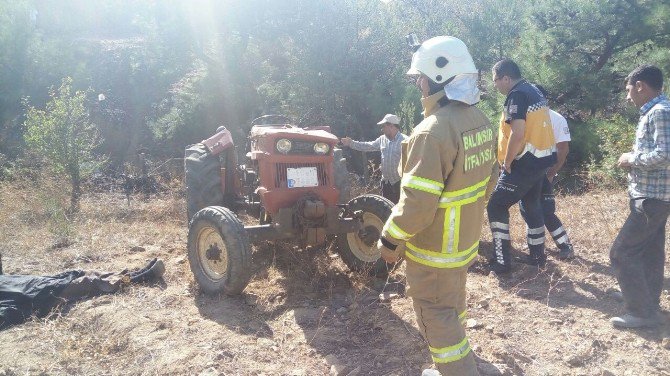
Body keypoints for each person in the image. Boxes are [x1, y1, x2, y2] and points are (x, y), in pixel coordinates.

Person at [376, 36, 496, 376]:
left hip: (434, 249)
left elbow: (417, 204)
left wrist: (389, 240)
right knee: (452, 304)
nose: (418, 83)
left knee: (435, 311)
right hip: (464, 243)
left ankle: (458, 372)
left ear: (440, 80)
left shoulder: (431, 132)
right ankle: (463, 365)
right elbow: (491, 177)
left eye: (421, 77)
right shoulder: (479, 119)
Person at [609, 64, 670, 329]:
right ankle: (645, 299)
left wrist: (630, 159)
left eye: (629, 89)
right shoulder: (658, 111)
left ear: (641, 86)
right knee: (649, 252)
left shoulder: (660, 112)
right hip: (653, 196)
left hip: (652, 197)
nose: (627, 96)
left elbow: (665, 154)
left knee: (622, 252)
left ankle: (642, 312)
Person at [487, 59, 557, 274]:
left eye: (496, 80)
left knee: (496, 206)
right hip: (541, 159)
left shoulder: (516, 95)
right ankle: (537, 257)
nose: (495, 85)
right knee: (531, 204)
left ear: (506, 78)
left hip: (524, 162)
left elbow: (517, 134)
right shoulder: (534, 89)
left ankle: (502, 260)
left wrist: (506, 162)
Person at [520, 84, 575, 260]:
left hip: (543, 173)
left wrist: (551, 173)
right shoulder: (526, 117)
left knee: (544, 210)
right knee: (528, 210)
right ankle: (536, 248)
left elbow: (563, 149)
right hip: (527, 172)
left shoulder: (556, 119)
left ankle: (564, 244)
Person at [341, 114, 406, 203]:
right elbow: (368, 146)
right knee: (386, 211)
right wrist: (351, 143)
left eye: (384, 126)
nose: (382, 129)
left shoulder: (406, 141)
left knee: (400, 211)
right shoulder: (382, 139)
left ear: (391, 126)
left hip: (400, 184)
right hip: (386, 183)